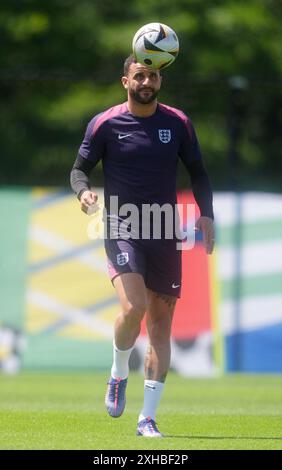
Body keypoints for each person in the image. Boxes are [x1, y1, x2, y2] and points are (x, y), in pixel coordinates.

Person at [70, 54, 215, 438]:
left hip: (166, 231)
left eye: (153, 75)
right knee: (133, 307)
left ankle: (147, 418)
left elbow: (198, 171)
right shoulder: (105, 123)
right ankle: (118, 371)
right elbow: (78, 170)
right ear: (125, 81)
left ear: (160, 81)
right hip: (122, 225)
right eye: (139, 76)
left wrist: (207, 214)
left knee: (161, 327)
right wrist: (83, 194)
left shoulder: (178, 123)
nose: (146, 82)